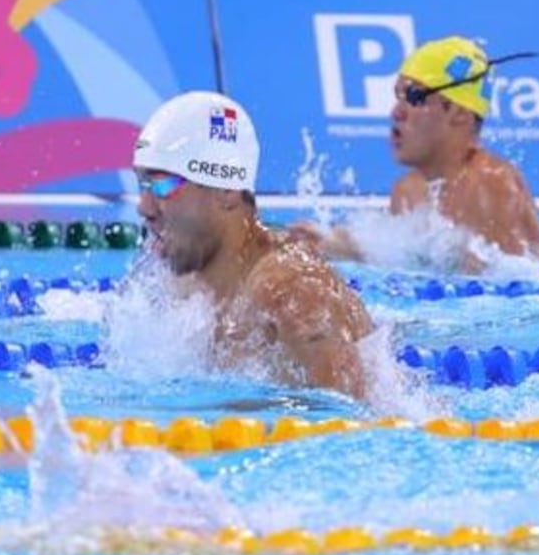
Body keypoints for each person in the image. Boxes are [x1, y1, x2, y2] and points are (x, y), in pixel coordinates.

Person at [133, 91, 374, 400]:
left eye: (163, 185)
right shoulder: (183, 286)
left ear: (227, 191)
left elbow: (352, 427)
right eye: (143, 186)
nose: (144, 207)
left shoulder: (293, 294)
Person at [290, 35, 539, 273]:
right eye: (398, 97)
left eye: (415, 98)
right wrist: (333, 244)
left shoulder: (491, 182)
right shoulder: (407, 192)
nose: (397, 112)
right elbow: (405, 261)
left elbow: (527, 287)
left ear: (459, 112)